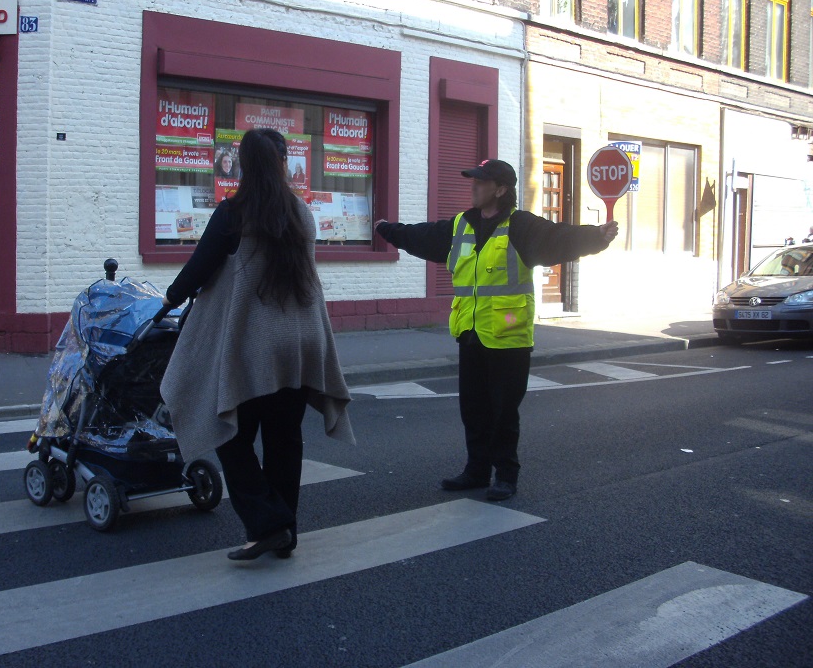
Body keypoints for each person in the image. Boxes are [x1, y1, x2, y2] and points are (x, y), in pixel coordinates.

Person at [161, 128, 354, 561]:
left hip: (254, 346)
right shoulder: (301, 213)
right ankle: (286, 531)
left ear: (243, 165)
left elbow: (197, 271)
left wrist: (170, 299)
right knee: (285, 441)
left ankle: (267, 524)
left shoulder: (233, 214)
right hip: (301, 345)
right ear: (283, 164)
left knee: (229, 434)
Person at [374, 159, 618, 502]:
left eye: (480, 181)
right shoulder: (462, 224)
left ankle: (505, 475)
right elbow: (423, 236)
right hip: (471, 332)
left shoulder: (520, 226)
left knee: (503, 410)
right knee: (473, 408)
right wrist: (389, 230)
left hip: (508, 336)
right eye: (473, 180)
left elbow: (557, 237)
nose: (472, 186)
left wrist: (596, 236)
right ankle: (476, 471)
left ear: (501, 190)